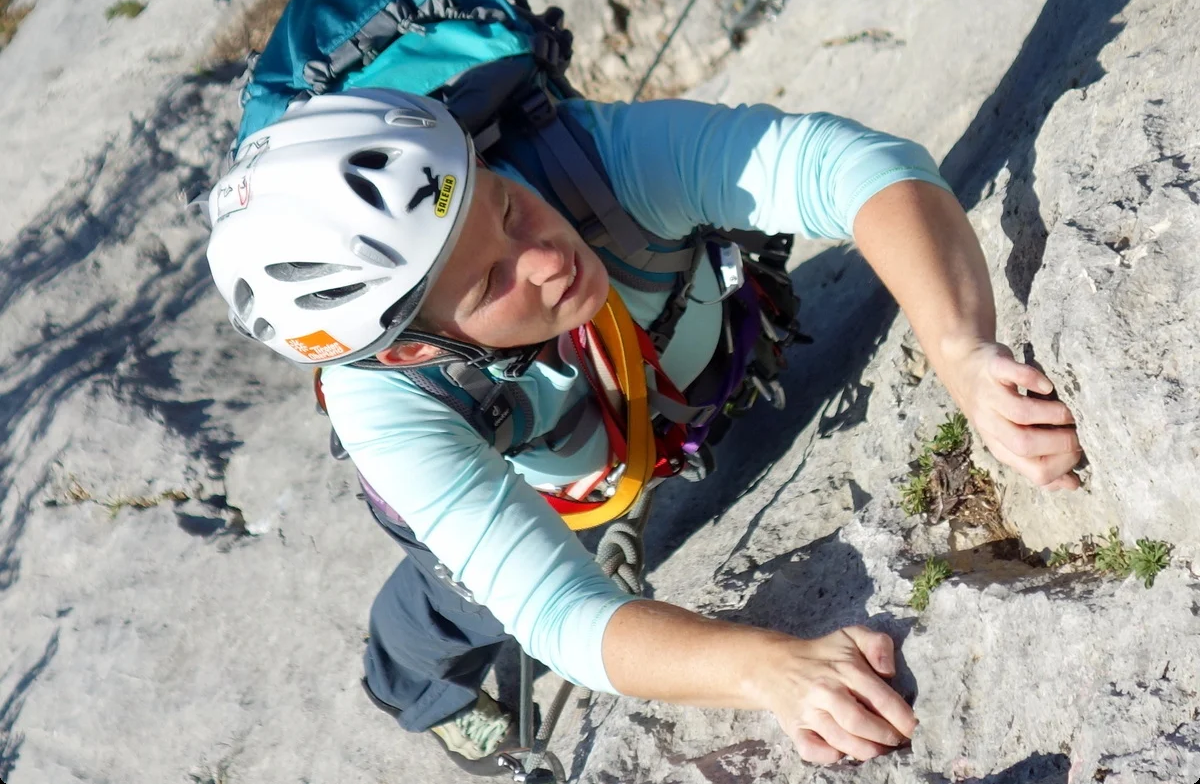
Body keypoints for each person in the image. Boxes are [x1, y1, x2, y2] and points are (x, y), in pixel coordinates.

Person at [206, 87, 1082, 774]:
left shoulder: (577, 158)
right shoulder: (387, 408)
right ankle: (416, 696)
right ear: (406, 355)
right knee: (456, 603)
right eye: (489, 283)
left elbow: (853, 164)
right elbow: (556, 612)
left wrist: (962, 350)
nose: (547, 257)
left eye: (505, 207)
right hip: (555, 474)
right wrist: (766, 670)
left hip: (637, 409)